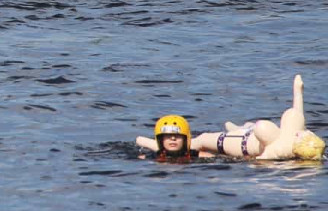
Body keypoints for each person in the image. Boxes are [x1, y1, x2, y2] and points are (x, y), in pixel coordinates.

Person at [136, 76, 325, 161]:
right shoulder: (148, 158)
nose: (173, 139)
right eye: (168, 137)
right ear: (160, 140)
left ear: (186, 138)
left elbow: (220, 159)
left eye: (176, 136)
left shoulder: (197, 156)